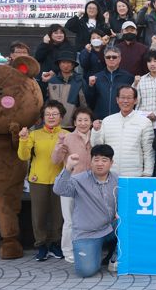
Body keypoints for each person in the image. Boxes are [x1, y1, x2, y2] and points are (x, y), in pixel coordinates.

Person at [53, 144, 119, 277]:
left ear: (111, 163)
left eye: (104, 160)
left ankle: (115, 256)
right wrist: (68, 167)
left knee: (127, 223)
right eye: (96, 160)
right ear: (91, 161)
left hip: (110, 228)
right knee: (86, 271)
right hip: (87, 233)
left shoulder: (118, 180)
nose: (100, 163)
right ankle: (94, 251)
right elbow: (59, 189)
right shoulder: (79, 180)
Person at [18, 100, 68, 261]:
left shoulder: (67, 135)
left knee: (58, 215)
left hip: (60, 181)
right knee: (38, 215)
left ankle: (55, 244)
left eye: (55, 114)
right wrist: (23, 139)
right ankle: (41, 245)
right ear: (43, 117)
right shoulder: (34, 134)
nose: (51, 117)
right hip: (37, 179)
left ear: (61, 117)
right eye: (48, 114)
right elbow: (23, 156)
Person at [51, 107, 94, 263]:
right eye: (79, 120)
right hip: (70, 183)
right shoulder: (67, 138)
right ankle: (67, 250)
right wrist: (58, 147)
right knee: (69, 220)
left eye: (86, 120)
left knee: (87, 220)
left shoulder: (96, 136)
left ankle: (85, 249)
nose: (83, 123)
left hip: (90, 185)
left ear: (91, 122)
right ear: (74, 122)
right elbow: (55, 160)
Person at [90, 85, 155, 177]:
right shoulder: (107, 120)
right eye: (122, 97)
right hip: (109, 174)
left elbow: (148, 151)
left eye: (129, 98)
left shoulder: (145, 122)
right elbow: (97, 147)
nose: (125, 101)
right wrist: (96, 131)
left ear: (135, 100)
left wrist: (147, 173)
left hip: (134, 174)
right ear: (117, 100)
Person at [40, 51, 87, 130]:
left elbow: (84, 103)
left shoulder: (79, 81)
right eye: (63, 62)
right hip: (53, 124)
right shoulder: (52, 81)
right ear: (59, 64)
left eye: (69, 63)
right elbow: (47, 101)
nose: (66, 65)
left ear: (73, 65)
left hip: (72, 125)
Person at [85, 47, 135, 119]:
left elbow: (133, 99)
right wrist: (90, 86)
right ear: (105, 59)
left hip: (122, 118)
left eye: (114, 57)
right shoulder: (96, 77)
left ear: (120, 59)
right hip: (100, 119)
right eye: (108, 57)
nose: (111, 59)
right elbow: (89, 100)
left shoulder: (128, 77)